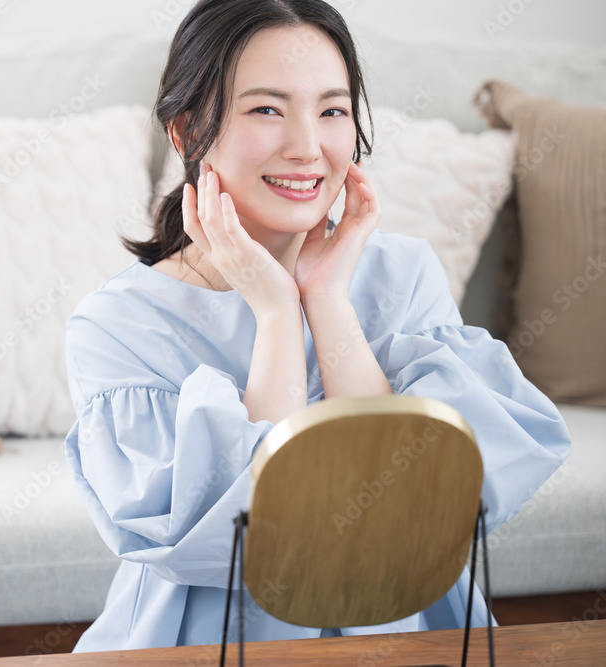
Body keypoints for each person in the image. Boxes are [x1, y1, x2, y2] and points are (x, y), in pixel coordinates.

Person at [62, 0, 571, 651]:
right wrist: (275, 311)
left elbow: (413, 508)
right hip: (208, 642)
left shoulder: (403, 274)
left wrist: (326, 297)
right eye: (266, 109)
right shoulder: (118, 324)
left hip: (398, 628)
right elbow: (251, 543)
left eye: (332, 111)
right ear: (187, 132)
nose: (307, 148)